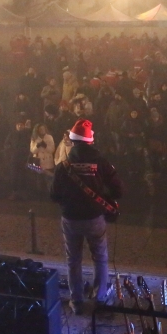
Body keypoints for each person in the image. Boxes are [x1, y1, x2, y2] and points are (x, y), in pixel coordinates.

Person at [50, 119, 123, 312]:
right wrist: (103, 197)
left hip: (70, 218)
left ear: (72, 140)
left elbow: (54, 195)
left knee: (73, 260)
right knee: (100, 257)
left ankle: (76, 301)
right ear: (91, 140)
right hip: (94, 218)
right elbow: (118, 190)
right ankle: (100, 297)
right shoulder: (101, 162)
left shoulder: (63, 165)